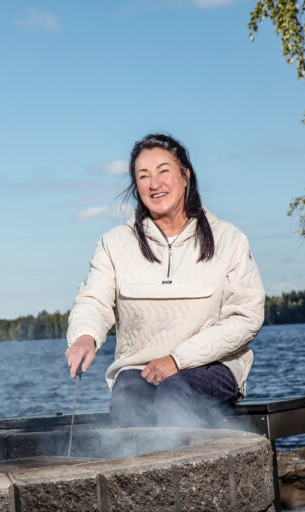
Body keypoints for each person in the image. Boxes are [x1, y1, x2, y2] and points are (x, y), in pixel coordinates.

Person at [64, 133, 265, 427]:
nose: (154, 184)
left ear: (185, 175)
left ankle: (187, 472)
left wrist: (177, 360)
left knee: (175, 393)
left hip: (211, 367)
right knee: (129, 400)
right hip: (138, 369)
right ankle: (134, 471)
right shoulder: (115, 243)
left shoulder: (229, 240)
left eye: (163, 172)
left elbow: (246, 317)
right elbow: (94, 299)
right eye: (143, 176)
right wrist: (84, 335)